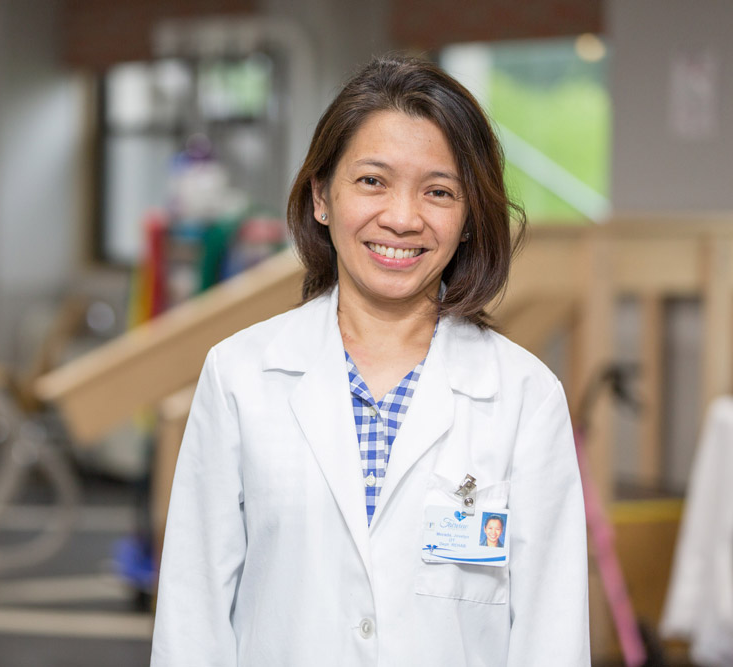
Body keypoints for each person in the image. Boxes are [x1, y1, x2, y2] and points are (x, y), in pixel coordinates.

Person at [151, 55, 589, 666]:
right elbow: (192, 615)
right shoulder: (240, 376)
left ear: (467, 220)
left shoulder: (524, 396)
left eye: (438, 192)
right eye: (372, 181)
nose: (403, 219)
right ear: (322, 197)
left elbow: (552, 631)